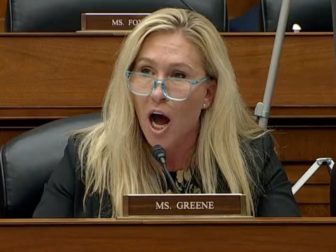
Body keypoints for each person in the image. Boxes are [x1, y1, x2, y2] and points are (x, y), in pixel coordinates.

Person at [33, 8, 300, 218]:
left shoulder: (252, 159)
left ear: (208, 94)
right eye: (146, 72)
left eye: (178, 75)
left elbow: (289, 244)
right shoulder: (85, 160)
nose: (157, 93)